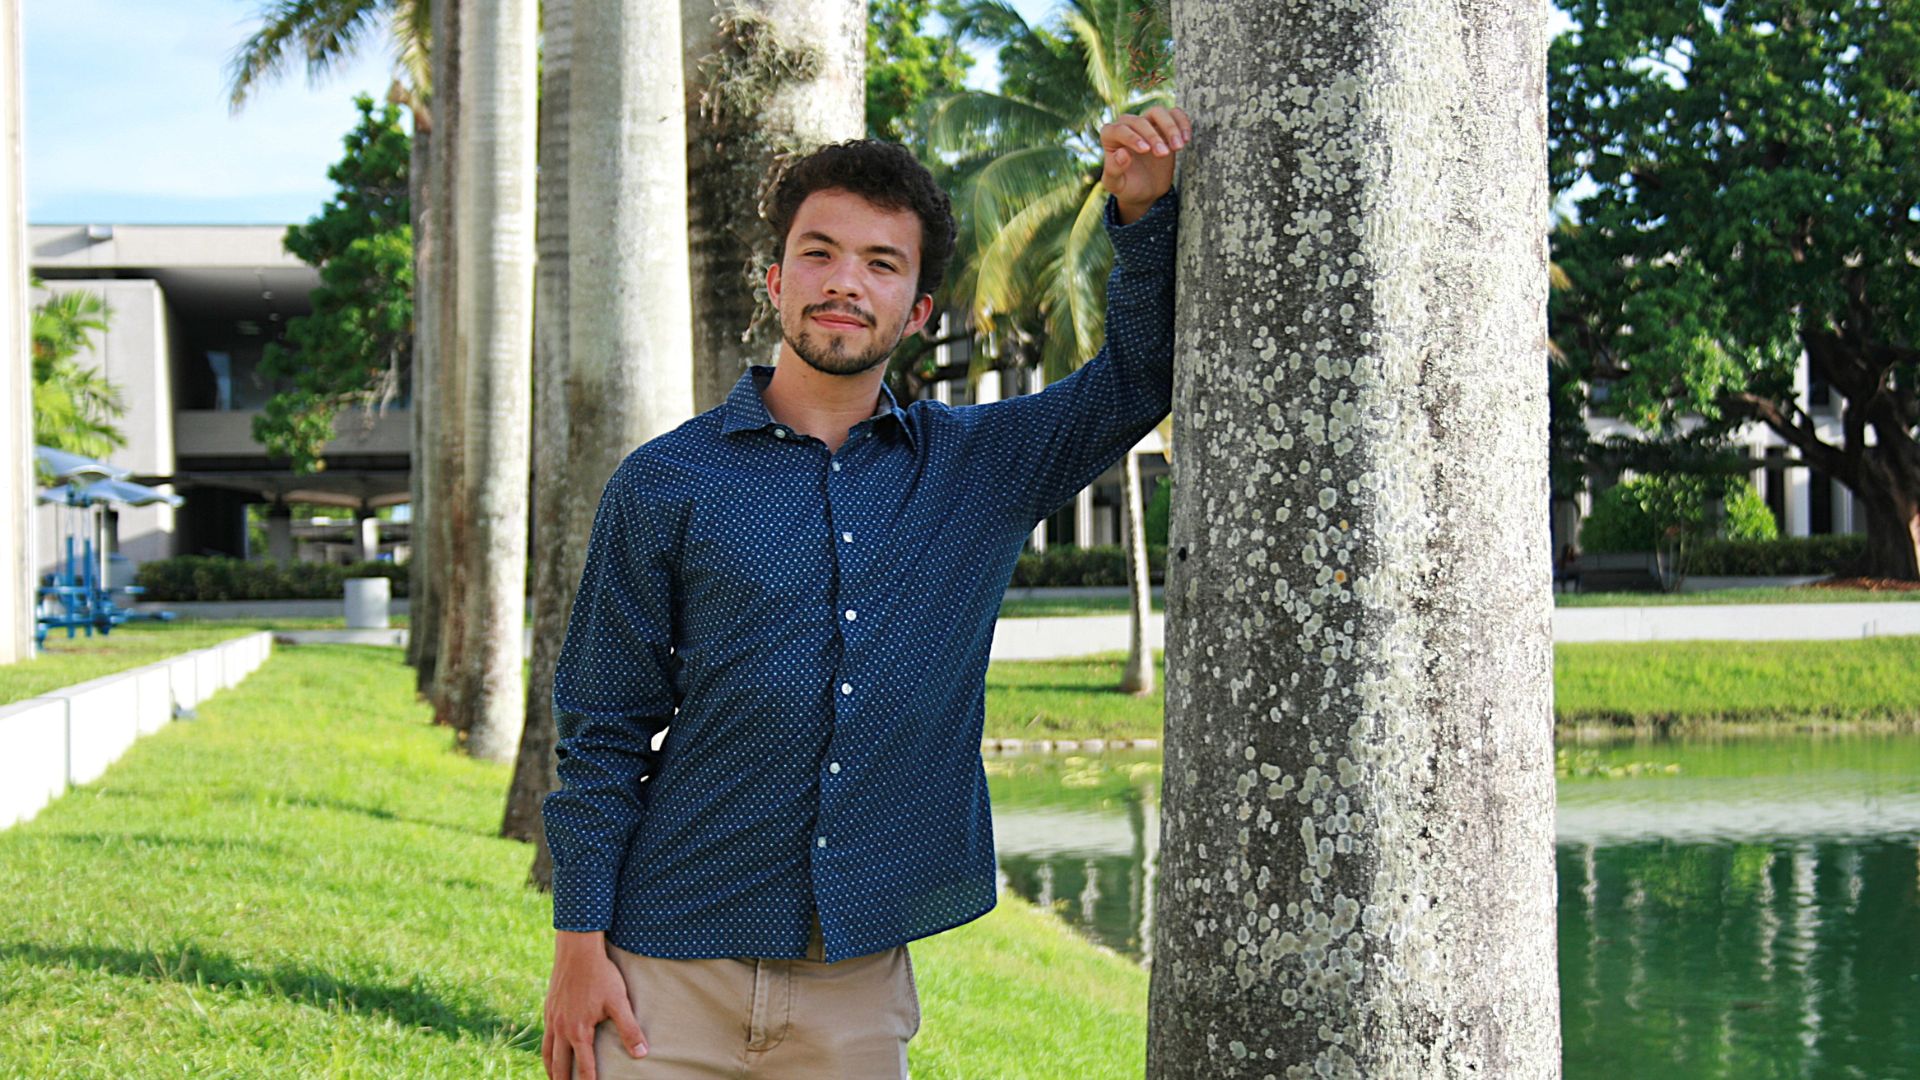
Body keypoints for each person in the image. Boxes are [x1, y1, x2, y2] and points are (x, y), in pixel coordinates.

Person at [539, 104, 1193, 1080]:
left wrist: (1142, 216)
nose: (846, 282)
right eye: (820, 253)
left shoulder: (981, 468)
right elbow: (603, 726)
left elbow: (1138, 380)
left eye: (883, 263)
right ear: (776, 281)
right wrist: (578, 945)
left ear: (918, 311)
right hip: (661, 975)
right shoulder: (665, 482)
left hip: (855, 990)